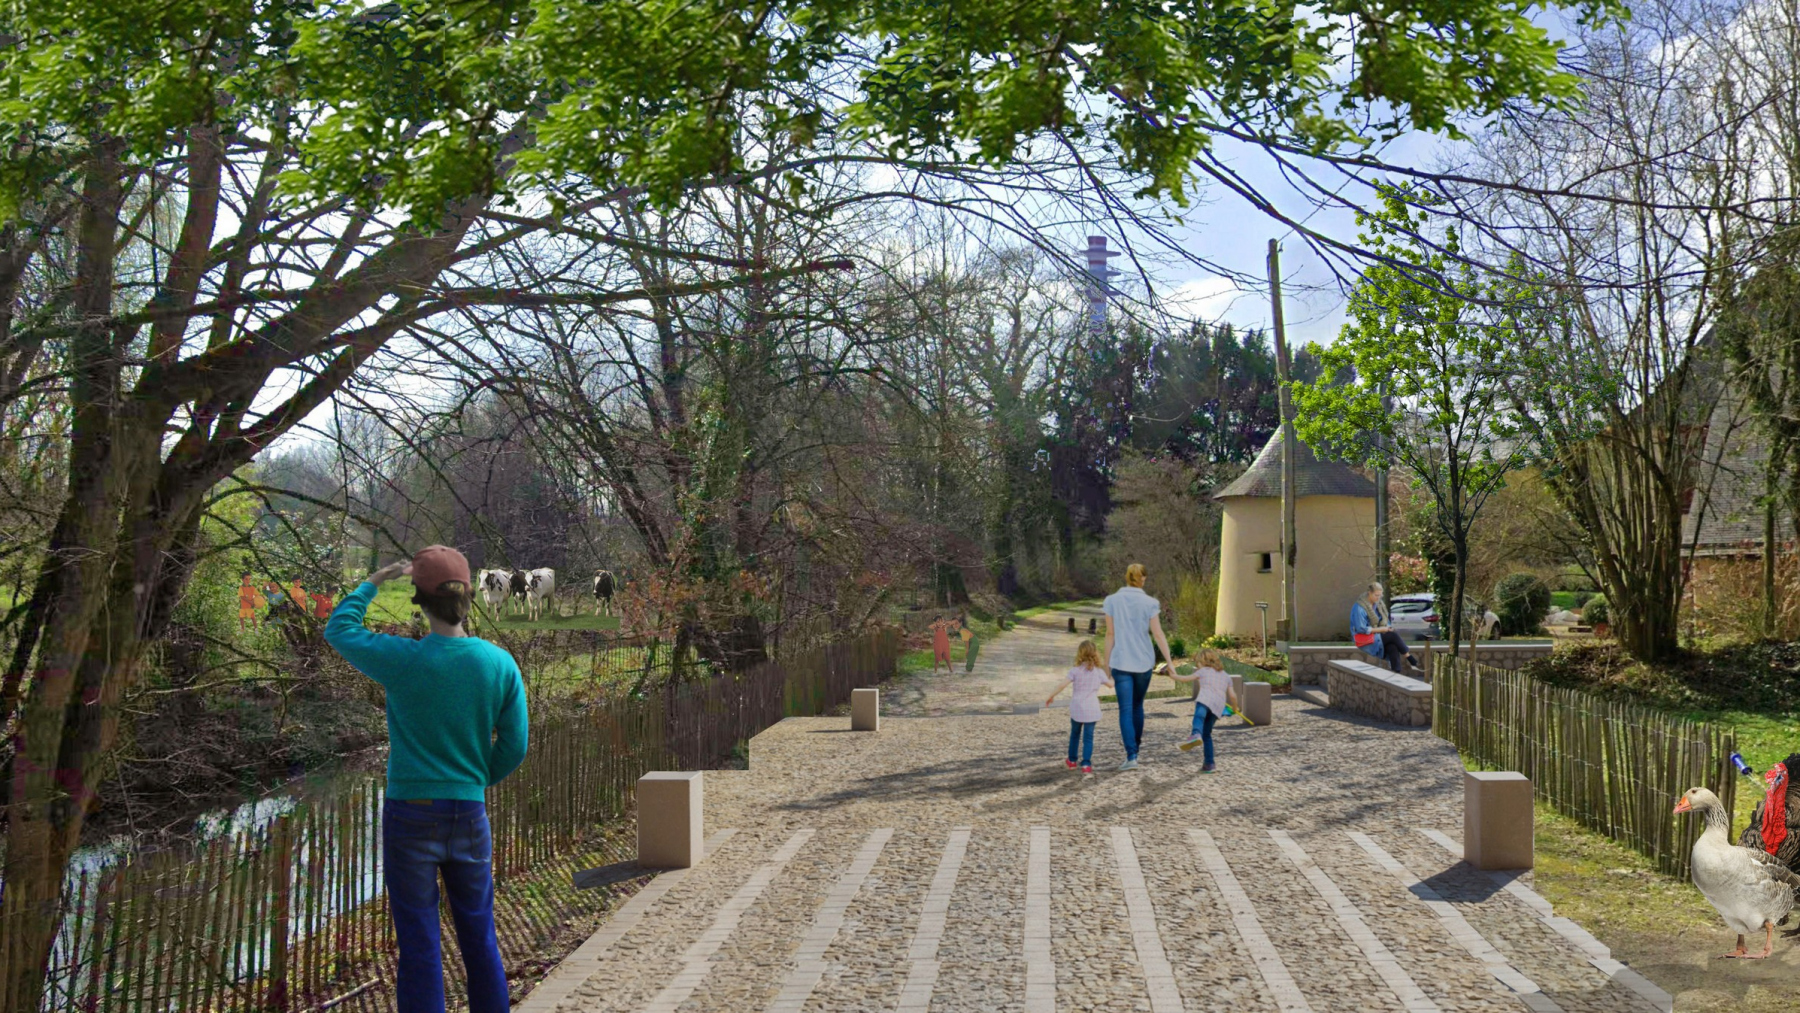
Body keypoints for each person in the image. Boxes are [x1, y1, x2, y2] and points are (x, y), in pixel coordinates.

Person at [324, 545, 528, 1013]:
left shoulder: (402, 659)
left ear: (419, 600)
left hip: (410, 818)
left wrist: (373, 581)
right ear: (470, 598)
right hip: (468, 814)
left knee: (418, 945)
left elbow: (339, 629)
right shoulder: (499, 663)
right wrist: (472, 782)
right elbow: (514, 747)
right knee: (479, 938)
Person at [1103, 563, 1177, 771]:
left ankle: (1131, 755)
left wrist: (1105, 666)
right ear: (1142, 579)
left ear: (1126, 578)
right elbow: (1158, 634)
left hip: (1121, 661)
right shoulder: (1150, 603)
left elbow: (1110, 634)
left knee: (1125, 709)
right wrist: (1170, 663)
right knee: (1137, 706)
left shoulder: (1112, 601)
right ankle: (1135, 748)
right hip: (1144, 661)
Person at [1046, 639, 1113, 772]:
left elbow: (1062, 685)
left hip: (1077, 708)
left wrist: (1051, 695)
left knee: (1075, 734)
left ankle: (1072, 760)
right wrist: (1115, 675)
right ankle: (1086, 764)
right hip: (1092, 709)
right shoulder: (1099, 672)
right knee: (1088, 737)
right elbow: (1111, 685)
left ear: (1080, 654)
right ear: (1095, 654)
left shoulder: (1075, 671)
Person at [1169, 649, 1238, 772]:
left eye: (1197, 663)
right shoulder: (1226, 675)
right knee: (1207, 735)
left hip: (1205, 700)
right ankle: (1209, 764)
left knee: (1198, 717)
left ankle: (1195, 734)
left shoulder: (1203, 671)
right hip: (1218, 706)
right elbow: (1233, 695)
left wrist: (1173, 676)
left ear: (1203, 661)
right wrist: (1234, 707)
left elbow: (1185, 679)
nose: (1197, 666)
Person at [1351, 582, 1422, 675]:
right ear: (1369, 593)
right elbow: (1361, 629)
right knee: (1392, 635)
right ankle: (1410, 658)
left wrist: (1387, 627)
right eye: (1376, 595)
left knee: (1393, 646)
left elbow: (1385, 621)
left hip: (1378, 636)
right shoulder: (1359, 607)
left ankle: (1396, 672)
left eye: (1380, 595)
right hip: (1364, 639)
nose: (1378, 598)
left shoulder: (1379, 604)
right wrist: (1382, 630)